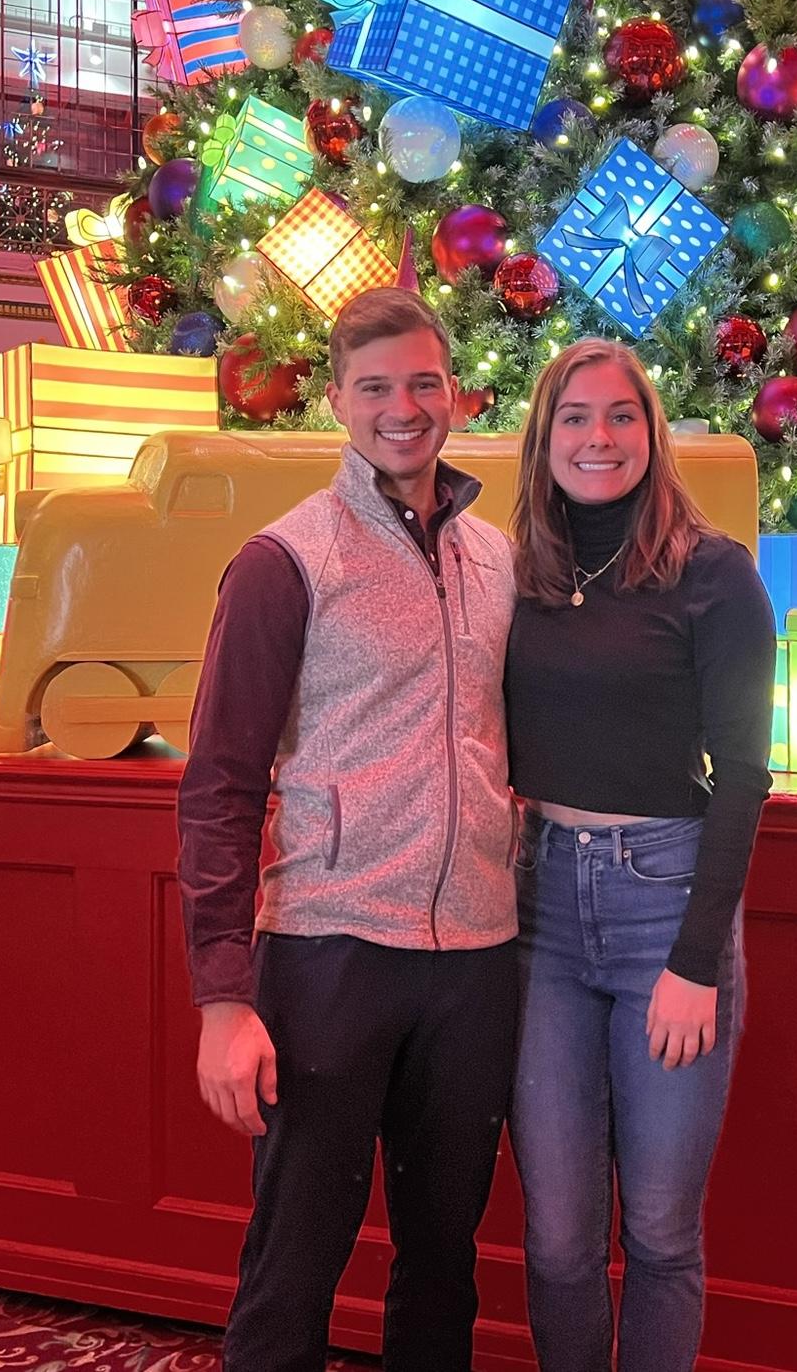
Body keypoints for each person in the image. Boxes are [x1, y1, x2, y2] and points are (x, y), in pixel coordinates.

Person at [176, 286, 519, 1372]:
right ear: (336, 401)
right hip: (329, 953)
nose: (401, 409)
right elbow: (220, 785)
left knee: (444, 1260)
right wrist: (224, 997)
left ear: (455, 394)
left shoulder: (498, 560)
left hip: (477, 960)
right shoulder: (285, 560)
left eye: (422, 384)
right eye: (374, 388)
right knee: (296, 1257)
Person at [504, 337, 777, 1372]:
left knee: (660, 1229)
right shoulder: (515, 571)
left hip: (666, 901)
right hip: (538, 908)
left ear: (653, 435)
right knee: (558, 1238)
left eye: (621, 415)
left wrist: (696, 962)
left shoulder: (714, 573)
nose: (599, 437)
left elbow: (744, 774)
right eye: (575, 417)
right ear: (544, 438)